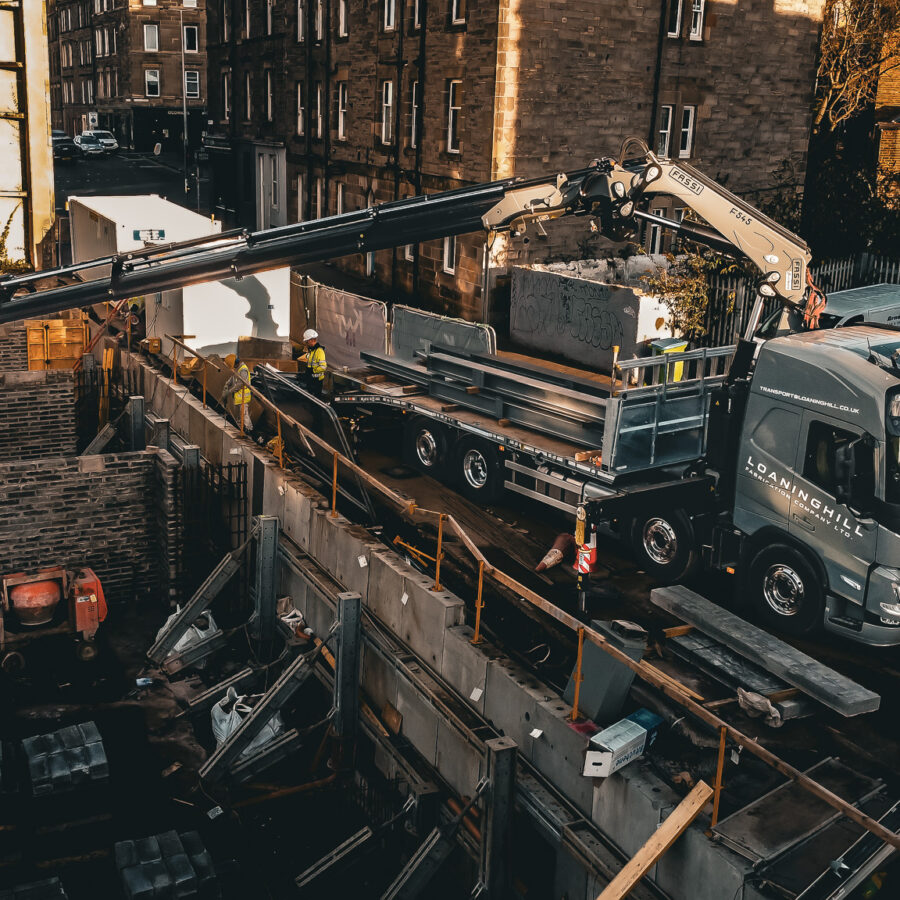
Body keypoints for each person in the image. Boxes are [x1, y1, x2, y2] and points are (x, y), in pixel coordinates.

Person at [222, 355, 253, 432]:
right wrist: (227, 384)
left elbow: (240, 384)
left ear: (236, 363)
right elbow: (232, 378)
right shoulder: (238, 369)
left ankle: (248, 430)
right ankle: (241, 429)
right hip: (238, 397)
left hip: (243, 396)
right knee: (239, 415)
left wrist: (229, 391)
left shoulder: (243, 370)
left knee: (244, 414)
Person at [297, 328, 327, 399]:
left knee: (316, 400)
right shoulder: (312, 351)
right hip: (312, 379)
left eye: (307, 342)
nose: (306, 344)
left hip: (317, 380)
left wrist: (313, 371)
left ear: (311, 340)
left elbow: (323, 367)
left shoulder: (319, 351)